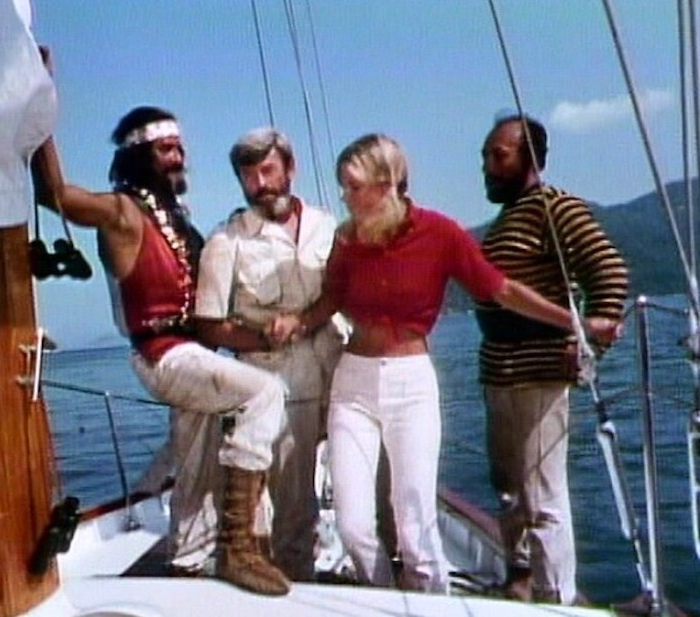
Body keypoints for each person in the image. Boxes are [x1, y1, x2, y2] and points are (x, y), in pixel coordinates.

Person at [270, 133, 615, 593]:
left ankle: (432, 600)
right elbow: (330, 299)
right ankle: (384, 596)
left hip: (410, 386)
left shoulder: (439, 233)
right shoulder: (346, 239)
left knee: (415, 524)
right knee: (353, 526)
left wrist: (575, 323)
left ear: (386, 184)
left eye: (353, 186)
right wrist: (297, 321)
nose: (345, 197)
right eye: (343, 186)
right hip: (353, 385)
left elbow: (500, 289)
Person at [32, 94, 292, 595]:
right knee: (265, 393)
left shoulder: (172, 217)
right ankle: (237, 549)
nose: (178, 157)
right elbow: (56, 194)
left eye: (180, 148)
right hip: (164, 354)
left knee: (195, 460)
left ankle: (188, 560)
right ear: (139, 156)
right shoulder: (122, 211)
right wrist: (38, 102)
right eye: (165, 149)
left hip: (190, 352)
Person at [477, 114, 628, 604]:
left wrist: (589, 346)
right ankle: (520, 576)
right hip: (499, 369)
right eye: (485, 156)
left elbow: (609, 272)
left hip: (539, 371)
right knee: (508, 486)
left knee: (542, 493)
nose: (487, 166)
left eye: (498, 156)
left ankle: (554, 597)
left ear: (531, 159)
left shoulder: (554, 207)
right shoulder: (508, 218)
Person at [193, 127, 344, 581]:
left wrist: (305, 320)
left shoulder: (327, 225)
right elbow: (207, 325)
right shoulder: (226, 242)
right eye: (249, 176)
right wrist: (265, 338)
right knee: (295, 510)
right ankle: (298, 589)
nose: (260, 184)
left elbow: (340, 291)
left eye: (268, 171)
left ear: (290, 169)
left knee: (364, 490)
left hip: (340, 375)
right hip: (281, 386)